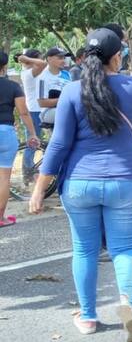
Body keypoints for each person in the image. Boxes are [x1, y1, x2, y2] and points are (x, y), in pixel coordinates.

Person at [28, 28, 132, 340]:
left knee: (84, 250)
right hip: (125, 181)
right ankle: (129, 305)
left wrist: (39, 188)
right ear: (117, 56)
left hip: (79, 183)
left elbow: (59, 144)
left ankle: (88, 318)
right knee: (125, 246)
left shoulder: (73, 91)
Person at [0, 51, 40, 227]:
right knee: (4, 178)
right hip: (6, 132)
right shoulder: (13, 86)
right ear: (5, 66)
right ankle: (0, 218)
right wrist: (32, 133)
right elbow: (23, 112)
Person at [16, 48, 45, 184]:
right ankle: (28, 172)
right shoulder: (29, 73)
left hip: (37, 110)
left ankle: (28, 173)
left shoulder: (31, 72)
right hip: (33, 110)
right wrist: (27, 59)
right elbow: (43, 63)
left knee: (34, 142)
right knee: (32, 143)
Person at [36, 47, 73, 128]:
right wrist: (63, 99)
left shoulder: (67, 74)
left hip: (66, 109)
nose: (63, 60)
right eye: (60, 58)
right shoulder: (42, 78)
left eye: (64, 58)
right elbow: (42, 103)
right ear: (49, 59)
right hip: (48, 112)